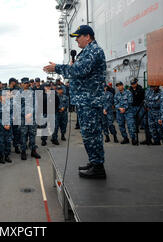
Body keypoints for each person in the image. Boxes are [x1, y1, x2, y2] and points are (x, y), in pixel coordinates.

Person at [43, 24, 107, 179]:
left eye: (78, 36)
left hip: (90, 100)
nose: (76, 40)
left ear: (87, 36)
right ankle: (94, 161)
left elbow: (79, 71)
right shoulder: (86, 52)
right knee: (89, 133)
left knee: (91, 134)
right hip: (86, 100)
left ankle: (98, 167)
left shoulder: (94, 51)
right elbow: (78, 70)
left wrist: (57, 68)